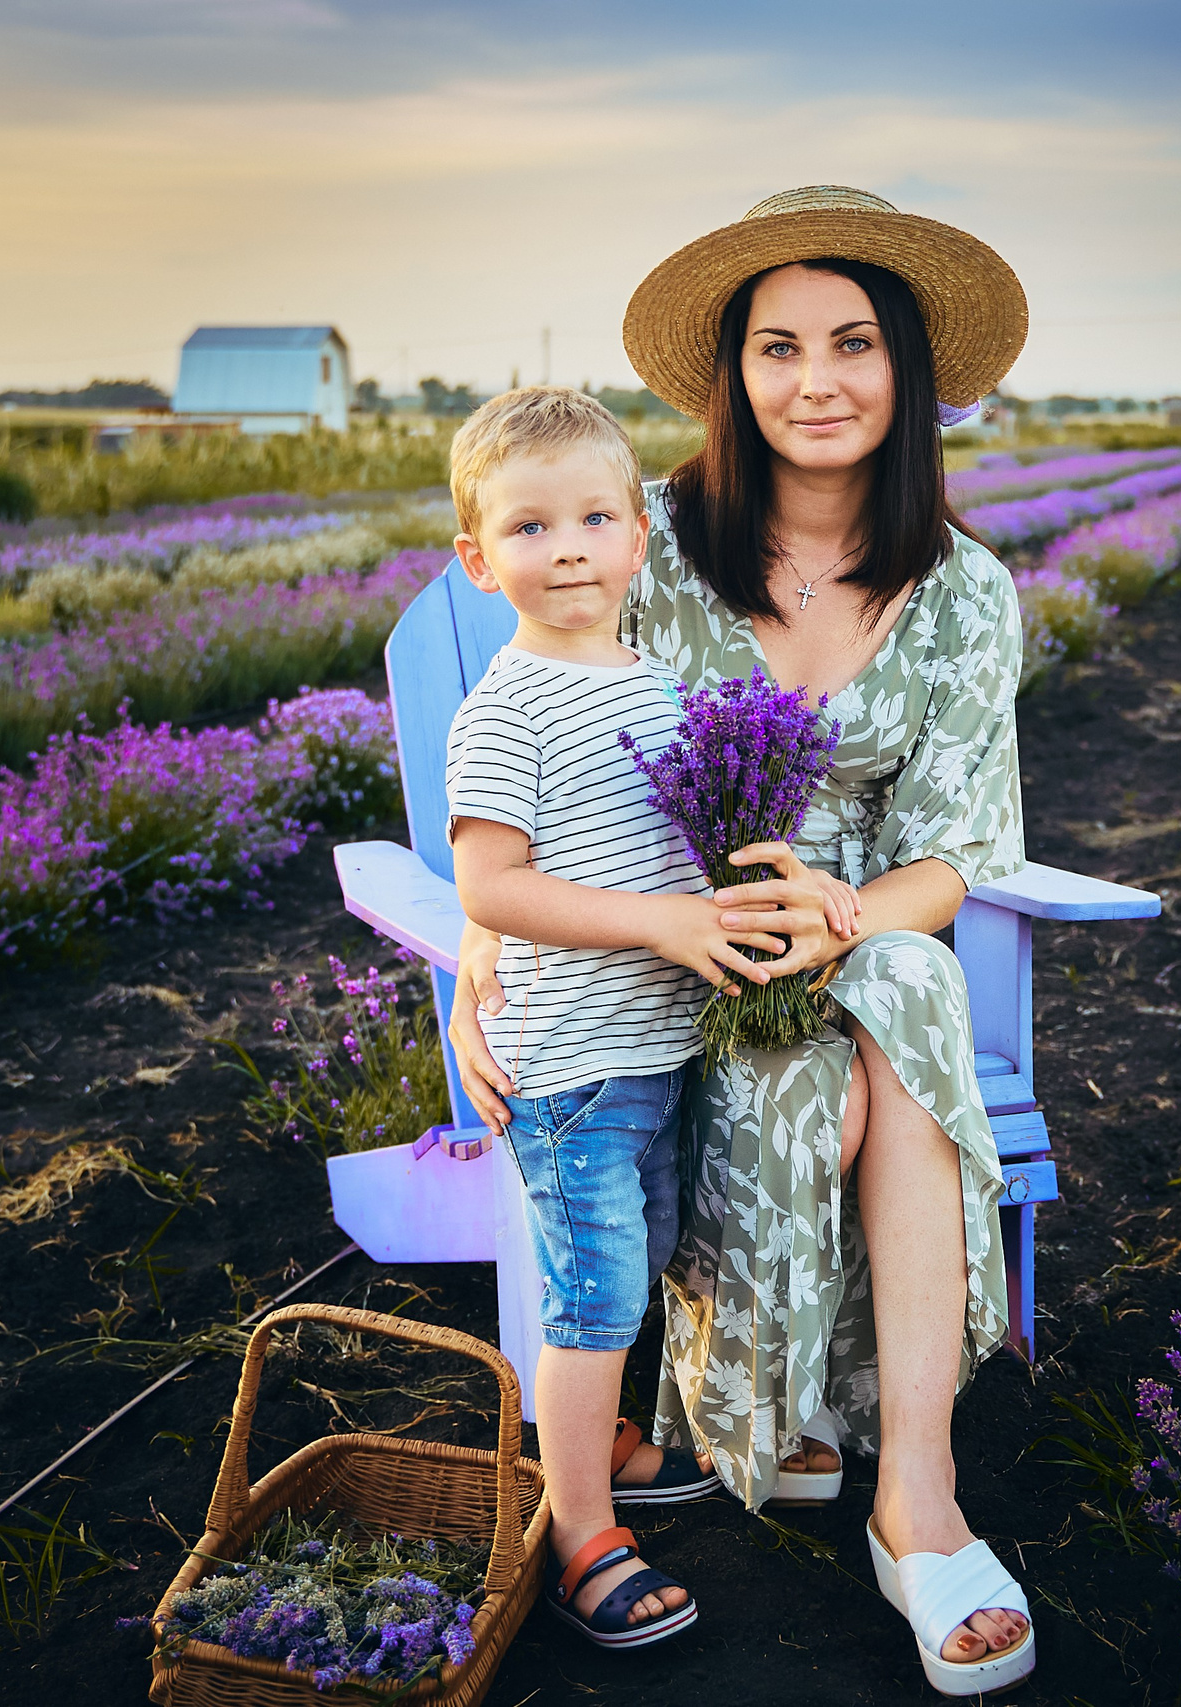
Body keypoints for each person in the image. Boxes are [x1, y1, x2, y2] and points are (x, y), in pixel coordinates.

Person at [449, 188, 1039, 1695]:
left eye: (853, 342)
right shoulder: (637, 549)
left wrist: (842, 916)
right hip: (666, 991)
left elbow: (957, 855)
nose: (816, 379)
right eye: (777, 347)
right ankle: (795, 1416)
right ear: (734, 376)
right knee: (852, 1055)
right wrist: (476, 941)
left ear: (907, 370)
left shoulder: (967, 595)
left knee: (906, 973)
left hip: (865, 958)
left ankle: (917, 1485)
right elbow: (529, 747)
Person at [439, 385, 777, 1649]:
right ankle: (578, 1525)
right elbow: (492, 884)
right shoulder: (505, 709)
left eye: (593, 517)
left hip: (661, 1052)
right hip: (573, 1065)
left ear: (639, 538)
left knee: (638, 1269)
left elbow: (685, 846)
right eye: (529, 528)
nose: (568, 546)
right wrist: (662, 926)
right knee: (594, 1297)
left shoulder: (657, 684)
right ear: (480, 562)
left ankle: (615, 1439)